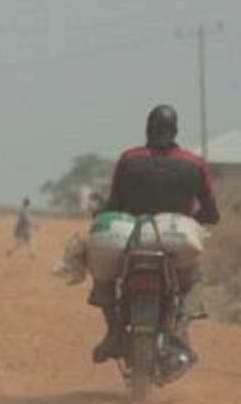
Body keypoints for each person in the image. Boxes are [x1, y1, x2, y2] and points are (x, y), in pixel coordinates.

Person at [89, 104, 220, 363]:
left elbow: (113, 203)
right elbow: (211, 212)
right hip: (175, 243)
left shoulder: (129, 159)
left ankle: (114, 332)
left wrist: (100, 218)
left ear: (148, 128)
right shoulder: (194, 163)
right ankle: (181, 331)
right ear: (175, 130)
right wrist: (192, 220)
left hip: (130, 240)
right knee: (193, 281)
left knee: (103, 275)